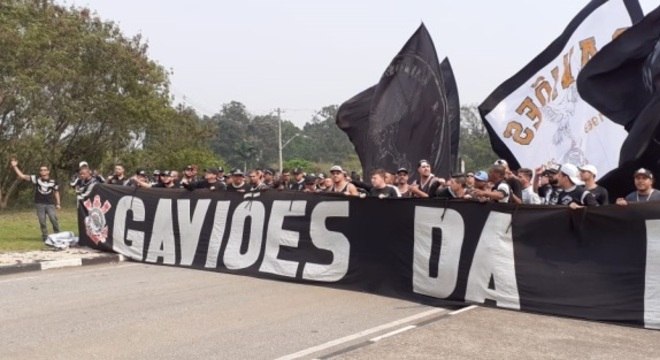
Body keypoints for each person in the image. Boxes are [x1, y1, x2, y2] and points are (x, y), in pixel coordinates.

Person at [10, 159, 61, 242]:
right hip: (39, 204)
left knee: (53, 219)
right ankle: (45, 237)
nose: (43, 171)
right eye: (41, 170)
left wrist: (58, 203)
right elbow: (22, 176)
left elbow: (56, 192)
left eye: (45, 170)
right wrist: (15, 166)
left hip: (50, 204)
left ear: (48, 172)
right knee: (42, 221)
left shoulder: (53, 182)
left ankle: (58, 235)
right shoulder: (36, 179)